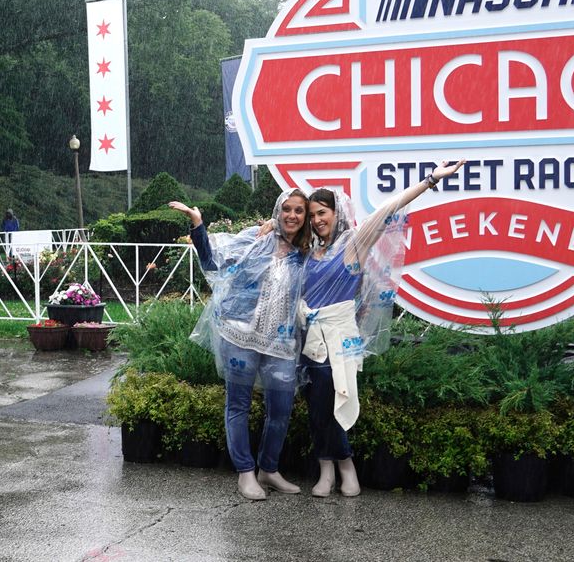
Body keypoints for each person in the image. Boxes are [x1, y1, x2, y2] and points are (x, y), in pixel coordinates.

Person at [292, 162, 464, 497]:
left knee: (333, 398)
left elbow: (390, 207)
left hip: (341, 339)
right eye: (312, 215)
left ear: (336, 212)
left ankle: (345, 465)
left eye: (321, 212)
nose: (316, 220)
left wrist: (430, 180)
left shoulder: (353, 244)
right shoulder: (310, 252)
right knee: (315, 404)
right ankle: (326, 468)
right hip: (311, 341)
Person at [168, 191, 310, 501]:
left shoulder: (306, 252)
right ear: (278, 209)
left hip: (282, 342)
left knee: (281, 410)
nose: (292, 215)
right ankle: (245, 473)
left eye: (299, 210)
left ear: (306, 216)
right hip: (240, 335)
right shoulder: (256, 238)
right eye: (286, 209)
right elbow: (213, 261)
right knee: (238, 405)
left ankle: (268, 470)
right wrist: (198, 225)